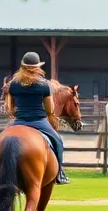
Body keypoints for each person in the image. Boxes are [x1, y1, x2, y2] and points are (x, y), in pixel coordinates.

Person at [4, 51, 70, 184]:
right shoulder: (44, 85)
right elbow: (49, 109)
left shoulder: (13, 84)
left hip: (18, 121)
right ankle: (60, 174)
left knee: (3, 141)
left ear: (22, 66)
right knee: (58, 141)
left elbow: (10, 107)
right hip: (38, 121)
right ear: (37, 67)